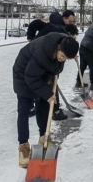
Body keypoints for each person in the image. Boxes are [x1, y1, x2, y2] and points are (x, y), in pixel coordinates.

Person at [14, 33, 79, 168]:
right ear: (58, 47)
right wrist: (48, 94)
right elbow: (31, 77)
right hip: (23, 74)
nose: (62, 60)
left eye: (66, 59)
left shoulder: (64, 44)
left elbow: (55, 65)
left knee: (44, 106)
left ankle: (44, 137)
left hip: (41, 74)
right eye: (62, 56)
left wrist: (51, 81)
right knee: (24, 109)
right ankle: (23, 146)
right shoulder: (42, 52)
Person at [27, 10, 78, 121]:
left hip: (40, 57)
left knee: (42, 82)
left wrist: (30, 39)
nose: (70, 23)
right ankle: (55, 110)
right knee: (50, 83)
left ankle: (32, 107)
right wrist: (30, 39)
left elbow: (35, 24)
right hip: (40, 58)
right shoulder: (58, 30)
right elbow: (35, 24)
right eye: (70, 21)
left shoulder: (55, 27)